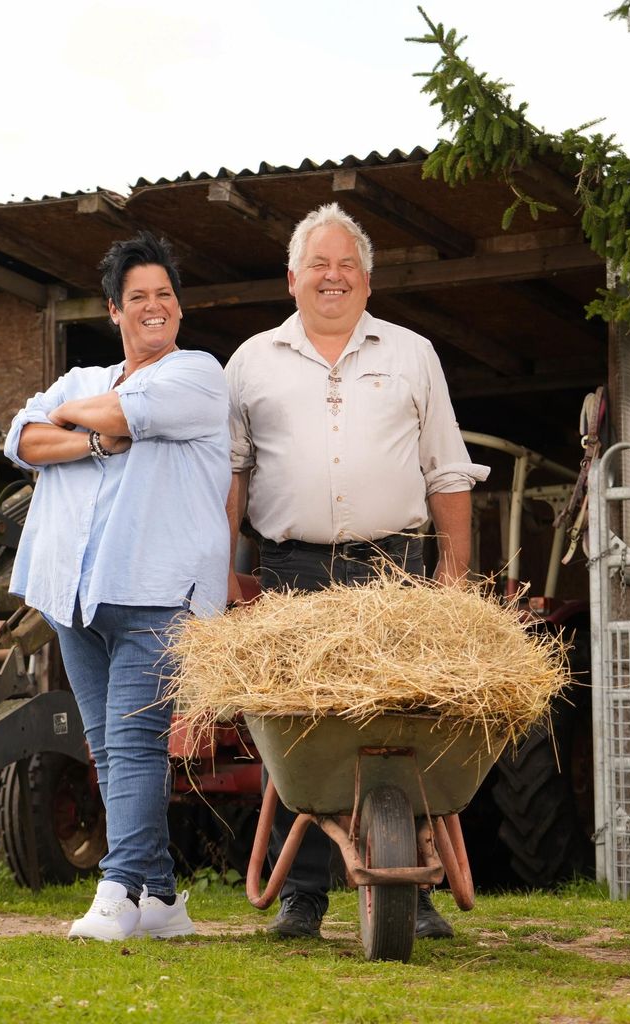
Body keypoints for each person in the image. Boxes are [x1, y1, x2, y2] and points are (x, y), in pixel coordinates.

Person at [225, 203, 489, 940]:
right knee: (301, 732)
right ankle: (301, 897)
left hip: (393, 569)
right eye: (319, 264)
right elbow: (233, 480)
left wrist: (454, 580)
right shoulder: (250, 363)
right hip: (292, 572)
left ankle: (419, 888)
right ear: (292, 278)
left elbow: (447, 470)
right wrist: (219, 576)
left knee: (403, 727)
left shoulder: (411, 354)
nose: (332, 276)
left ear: (367, 281)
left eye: (347, 265)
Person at [5, 232, 231, 942]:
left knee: (134, 747)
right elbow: (21, 438)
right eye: (139, 297)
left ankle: (117, 891)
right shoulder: (81, 381)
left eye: (165, 295)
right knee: (107, 750)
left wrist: (81, 420)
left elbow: (127, 413)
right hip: (75, 593)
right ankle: (160, 900)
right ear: (114, 309)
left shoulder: (196, 374)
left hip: (156, 590)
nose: (155, 306)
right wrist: (92, 439)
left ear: (179, 308)